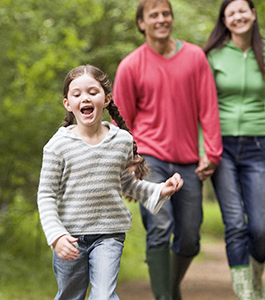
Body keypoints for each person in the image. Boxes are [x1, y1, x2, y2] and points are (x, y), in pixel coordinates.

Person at [37, 65, 184, 300]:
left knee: (103, 296)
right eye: (77, 94)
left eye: (92, 92)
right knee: (70, 295)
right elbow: (46, 195)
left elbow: (127, 184)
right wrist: (56, 236)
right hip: (70, 235)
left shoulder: (121, 140)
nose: (85, 98)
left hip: (109, 234)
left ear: (106, 99)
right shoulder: (57, 146)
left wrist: (160, 190)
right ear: (68, 103)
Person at [112, 0, 223, 299]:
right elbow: (121, 122)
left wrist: (211, 153)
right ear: (141, 23)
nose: (162, 19)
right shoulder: (131, 65)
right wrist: (126, 164)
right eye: (154, 15)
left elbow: (209, 108)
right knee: (160, 226)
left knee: (189, 238)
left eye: (166, 14)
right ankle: (163, 296)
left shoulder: (195, 57)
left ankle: (170, 287)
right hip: (150, 160)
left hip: (188, 162)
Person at [202, 0, 265, 299]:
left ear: (253, 13)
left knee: (260, 227)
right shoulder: (214, 56)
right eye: (230, 13)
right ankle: (245, 293)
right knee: (235, 223)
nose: (238, 17)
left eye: (242, 11)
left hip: (256, 146)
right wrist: (204, 149)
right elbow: (203, 105)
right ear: (224, 20)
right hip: (220, 147)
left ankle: (256, 278)